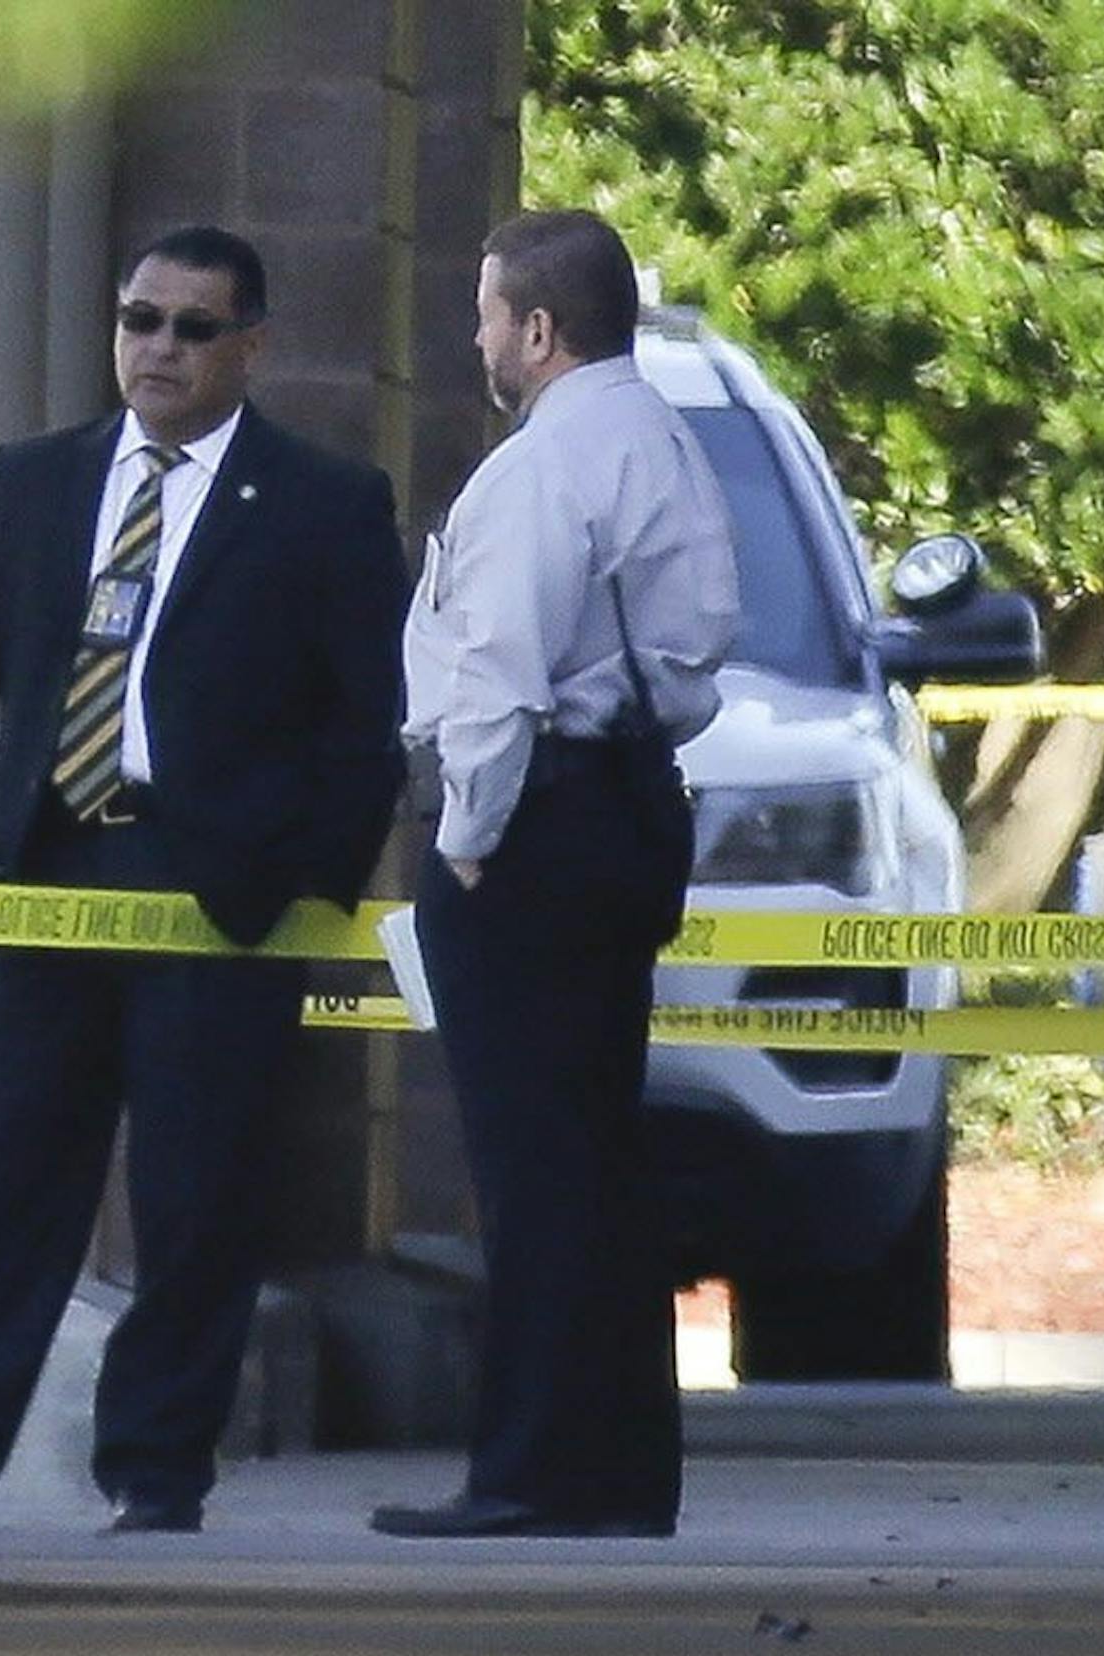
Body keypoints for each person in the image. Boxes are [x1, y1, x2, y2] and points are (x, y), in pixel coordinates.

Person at [0, 225, 409, 1534]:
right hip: (50, 866)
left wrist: (306, 886)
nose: (157, 348)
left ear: (250, 348)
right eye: (138, 319)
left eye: (192, 328)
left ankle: (156, 1471)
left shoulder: (322, 503)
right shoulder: (35, 481)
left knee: (197, 1194)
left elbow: (361, 722)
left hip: (219, 888)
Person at [375, 210, 740, 1539]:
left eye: (486, 316)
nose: (475, 339)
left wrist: (466, 841)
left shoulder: (544, 467)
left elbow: (497, 682)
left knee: (531, 1170)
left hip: (536, 830)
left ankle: (525, 1472)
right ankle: (621, 1471)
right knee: (598, 1160)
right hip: (632, 808)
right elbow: (694, 658)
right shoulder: (669, 445)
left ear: (537, 329)